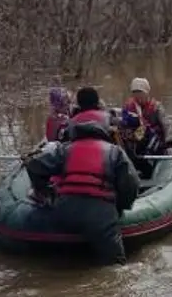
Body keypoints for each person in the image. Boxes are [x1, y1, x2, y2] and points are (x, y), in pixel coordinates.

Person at [24, 86, 141, 266]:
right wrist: (120, 206)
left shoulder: (65, 148)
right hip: (100, 215)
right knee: (116, 266)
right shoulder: (114, 151)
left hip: (63, 210)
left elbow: (33, 164)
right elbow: (131, 184)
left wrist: (45, 192)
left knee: (54, 262)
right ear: (103, 132)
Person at [119, 77, 172, 178]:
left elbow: (166, 124)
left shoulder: (156, 107)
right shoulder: (128, 108)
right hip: (135, 143)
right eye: (135, 93)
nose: (138, 96)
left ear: (147, 92)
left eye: (141, 92)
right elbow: (123, 126)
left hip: (154, 143)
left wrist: (169, 143)